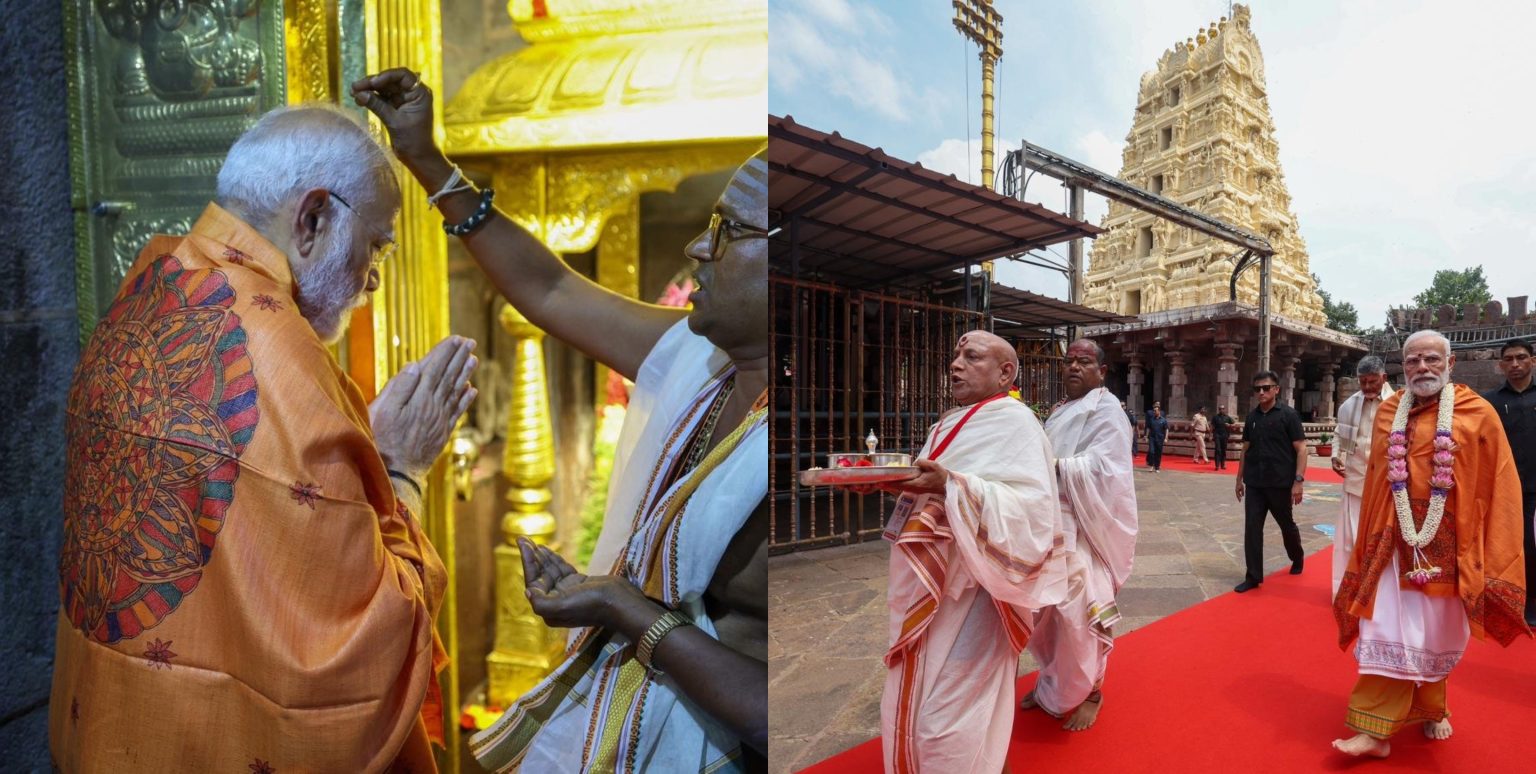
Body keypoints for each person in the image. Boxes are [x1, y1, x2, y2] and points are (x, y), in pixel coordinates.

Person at [352, 69, 769, 772]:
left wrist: (628, 611)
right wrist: (427, 159)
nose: (700, 248)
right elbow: (548, 288)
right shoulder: (703, 359)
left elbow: (773, 708)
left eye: (728, 232)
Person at [50, 105, 477, 772]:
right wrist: (402, 468)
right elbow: (359, 642)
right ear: (312, 219)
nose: (371, 278)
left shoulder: (147, 289)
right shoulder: (283, 358)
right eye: (377, 246)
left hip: (113, 727)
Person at [866, 330, 1067, 773]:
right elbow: (926, 486)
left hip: (979, 590)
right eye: (955, 355)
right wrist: (894, 482)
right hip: (928, 582)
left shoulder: (1016, 422)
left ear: (1005, 372)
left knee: (945, 722)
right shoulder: (946, 423)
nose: (955, 364)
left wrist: (954, 485)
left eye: (971, 356)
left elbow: (1034, 512)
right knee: (914, 700)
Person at [1332, 330, 1529, 758]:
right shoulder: (1389, 412)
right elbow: (1376, 486)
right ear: (1403, 368)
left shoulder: (1477, 412)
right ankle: (1375, 731)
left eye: (1431, 360)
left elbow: (1498, 482)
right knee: (1384, 628)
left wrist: (1491, 544)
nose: (1422, 368)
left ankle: (1433, 709)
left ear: (1450, 364)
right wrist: (1366, 543)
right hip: (1392, 542)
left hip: (1450, 545)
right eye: (1413, 361)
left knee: (1433, 634)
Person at [1018, 340, 1138, 731]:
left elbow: (1109, 470)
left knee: (1080, 616)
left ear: (1101, 371)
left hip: (1087, 530)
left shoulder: (1108, 411)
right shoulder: (1059, 411)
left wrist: (1053, 467)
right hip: (1052, 527)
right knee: (1042, 617)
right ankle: (1051, 682)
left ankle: (1092, 692)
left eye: (1083, 362)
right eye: (1068, 361)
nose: (1073, 367)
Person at [1233, 370, 1307, 593]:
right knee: (1252, 529)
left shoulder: (1288, 415)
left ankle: (1297, 556)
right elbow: (1245, 450)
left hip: (1280, 482)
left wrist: (1298, 481)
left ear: (1276, 389)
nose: (1261, 392)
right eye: (1257, 389)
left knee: (1286, 525)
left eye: (1266, 388)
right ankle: (1253, 576)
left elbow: (1302, 449)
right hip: (1255, 482)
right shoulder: (1252, 418)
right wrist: (1238, 480)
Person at [1480, 339, 1536, 627]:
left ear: (1533, 361)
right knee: (1506, 544)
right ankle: (1500, 599)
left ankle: (1532, 604)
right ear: (1501, 365)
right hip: (1502, 488)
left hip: (1534, 486)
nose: (1515, 364)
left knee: (1533, 546)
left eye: (1521, 357)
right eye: (1509, 359)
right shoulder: (1488, 402)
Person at [1330, 356, 1393, 596]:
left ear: (1384, 378)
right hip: (1356, 480)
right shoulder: (1348, 406)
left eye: (1372, 382)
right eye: (1363, 382)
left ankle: (1380, 593)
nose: (1367, 387)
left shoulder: (1399, 404)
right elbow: (1339, 433)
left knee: (1380, 540)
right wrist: (1336, 456)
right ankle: (1347, 590)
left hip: (1387, 484)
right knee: (1350, 540)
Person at [1144, 406, 1168, 472]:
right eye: (1154, 411)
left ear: (1159, 411)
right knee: (1151, 451)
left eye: (1155, 411)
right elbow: (1148, 428)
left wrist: (1166, 438)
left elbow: (1166, 429)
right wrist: (1146, 436)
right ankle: (1151, 465)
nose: (1154, 412)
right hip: (1152, 438)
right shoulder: (1151, 419)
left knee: (1158, 453)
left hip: (1160, 438)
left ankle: (1157, 467)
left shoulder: (1163, 420)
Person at [1213, 403, 1236, 471]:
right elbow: (1212, 426)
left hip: (1225, 435)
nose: (1221, 410)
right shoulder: (1215, 417)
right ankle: (1217, 465)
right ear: (1218, 410)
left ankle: (1223, 464)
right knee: (1218, 449)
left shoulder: (1228, 417)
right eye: (1220, 409)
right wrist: (1210, 435)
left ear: (1224, 409)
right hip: (1217, 435)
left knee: (1223, 450)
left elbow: (1234, 424)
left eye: (1222, 409)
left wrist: (1229, 425)